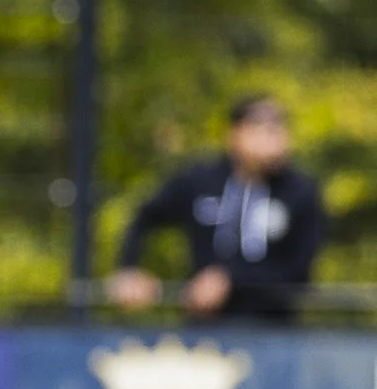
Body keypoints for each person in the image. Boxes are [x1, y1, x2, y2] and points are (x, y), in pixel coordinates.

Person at [108, 95, 328, 324]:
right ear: (234, 133)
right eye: (261, 126)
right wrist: (129, 269)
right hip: (206, 331)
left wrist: (231, 279)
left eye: (279, 126)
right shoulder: (200, 180)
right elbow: (145, 215)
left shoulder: (300, 192)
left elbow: (299, 273)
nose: (274, 136)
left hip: (272, 332)